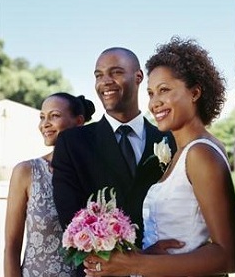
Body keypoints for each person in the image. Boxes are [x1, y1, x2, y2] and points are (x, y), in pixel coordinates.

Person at [83, 37, 235, 276]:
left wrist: (133, 264)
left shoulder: (201, 154)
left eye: (164, 90)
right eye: (151, 93)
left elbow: (229, 256)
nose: (155, 103)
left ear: (195, 92)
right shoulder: (180, 153)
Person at [52, 47, 176, 276]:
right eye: (99, 75)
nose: (105, 81)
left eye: (116, 72)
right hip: (100, 271)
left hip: (160, 269)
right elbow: (71, 219)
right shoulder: (72, 143)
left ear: (138, 77)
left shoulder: (169, 139)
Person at [4, 92, 95, 277]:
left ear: (78, 121)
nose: (44, 124)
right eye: (42, 117)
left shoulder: (94, 172)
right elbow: (11, 248)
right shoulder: (26, 172)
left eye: (54, 116)